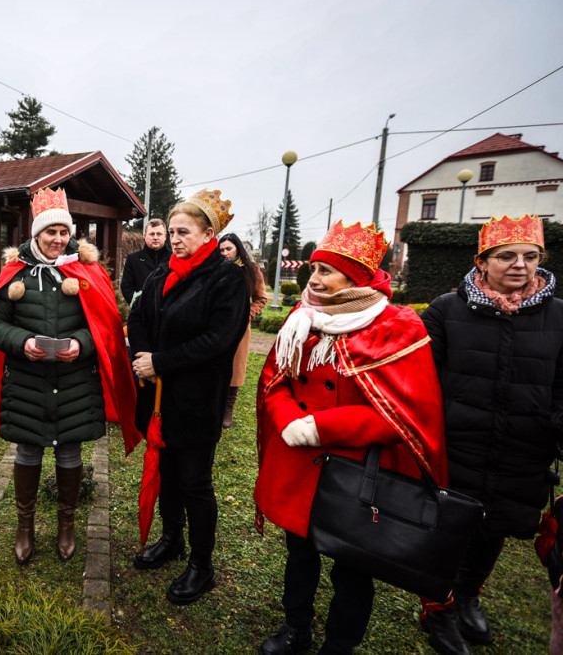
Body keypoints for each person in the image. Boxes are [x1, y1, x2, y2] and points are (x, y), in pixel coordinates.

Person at [254, 221, 448, 655]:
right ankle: (296, 627)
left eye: (326, 271)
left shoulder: (396, 325)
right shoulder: (302, 317)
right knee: (299, 554)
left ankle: (340, 645)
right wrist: (288, 419)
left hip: (359, 470)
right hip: (299, 462)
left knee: (353, 568)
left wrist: (324, 428)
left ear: (356, 277)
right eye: (314, 269)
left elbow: (404, 414)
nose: (315, 280)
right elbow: (276, 381)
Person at [418, 214, 563, 654]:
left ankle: (468, 594)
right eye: (506, 256)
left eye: (530, 256)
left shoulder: (559, 316)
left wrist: (553, 422)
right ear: (480, 261)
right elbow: (422, 380)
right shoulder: (446, 310)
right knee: (449, 527)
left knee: (495, 525)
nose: (520, 264)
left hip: (523, 445)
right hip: (458, 443)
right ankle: (436, 607)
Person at [0, 187, 138, 565]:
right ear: (36, 234)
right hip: (28, 381)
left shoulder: (88, 270)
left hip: (76, 380)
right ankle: (25, 526)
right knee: (28, 449)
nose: (59, 239)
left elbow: (108, 325)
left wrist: (82, 342)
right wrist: (23, 341)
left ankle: (67, 525)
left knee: (69, 450)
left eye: (64, 232)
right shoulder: (15, 273)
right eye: (51, 232)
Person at [127, 189, 249, 605]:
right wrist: (143, 357)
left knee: (195, 482)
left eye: (184, 232)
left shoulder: (228, 278)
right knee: (168, 475)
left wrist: (161, 361)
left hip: (197, 400)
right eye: (172, 231)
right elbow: (138, 317)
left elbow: (218, 340)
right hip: (159, 400)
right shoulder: (162, 273)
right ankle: (171, 540)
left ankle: (202, 565)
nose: (175, 239)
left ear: (208, 234)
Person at [218, 232, 268, 428]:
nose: (225, 253)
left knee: (236, 366)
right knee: (217, 362)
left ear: (238, 248)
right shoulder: (215, 269)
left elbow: (261, 298)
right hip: (217, 324)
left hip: (239, 326)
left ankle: (228, 408)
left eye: (228, 249)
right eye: (221, 250)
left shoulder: (252, 270)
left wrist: (246, 315)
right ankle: (216, 404)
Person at [120, 218, 169, 305]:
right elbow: (126, 287)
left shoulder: (175, 258)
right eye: (152, 234)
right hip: (141, 314)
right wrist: (140, 306)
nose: (155, 237)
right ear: (145, 236)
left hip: (169, 313)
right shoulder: (133, 259)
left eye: (159, 234)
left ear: (165, 236)